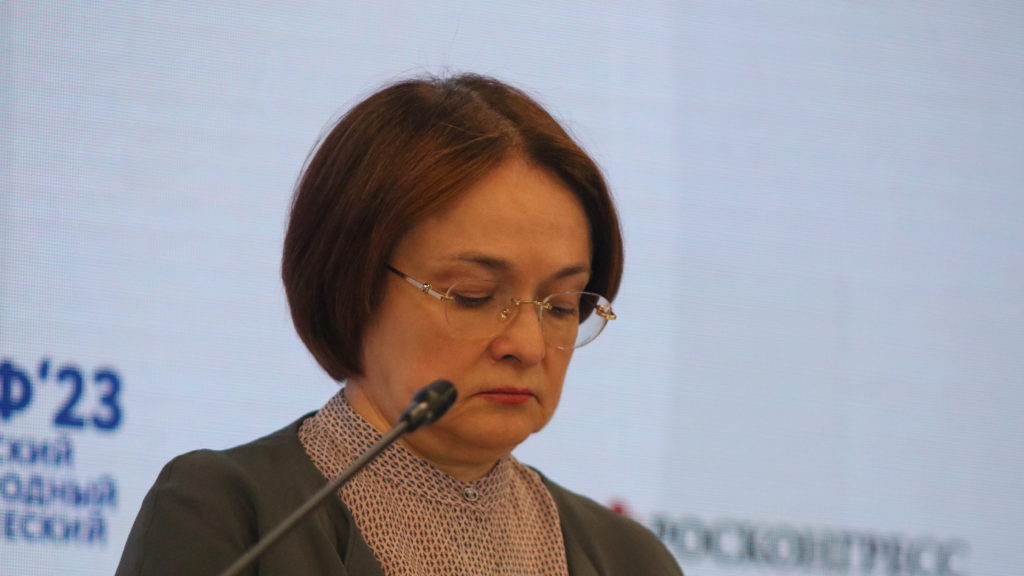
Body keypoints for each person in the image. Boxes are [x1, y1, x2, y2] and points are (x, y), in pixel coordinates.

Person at [116, 73, 684, 576]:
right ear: (352, 285)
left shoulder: (629, 559)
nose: (529, 345)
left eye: (560, 306)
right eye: (473, 297)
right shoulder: (230, 516)